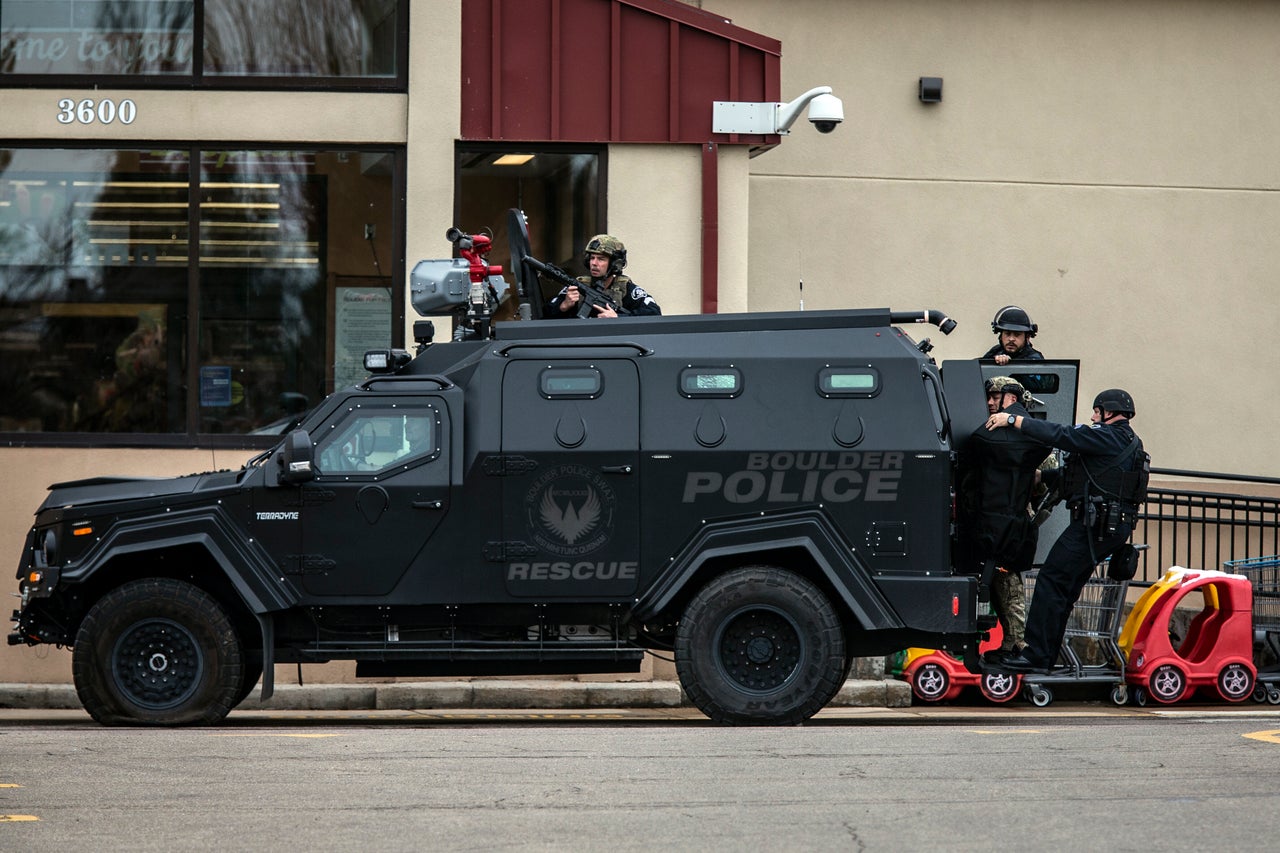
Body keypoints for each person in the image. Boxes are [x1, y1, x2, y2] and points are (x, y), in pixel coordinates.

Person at [983, 388, 1148, 674]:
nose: (1094, 416)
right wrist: (1041, 476)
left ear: (1109, 412)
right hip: (1104, 527)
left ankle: (1035, 656)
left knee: (1051, 581)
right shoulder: (1123, 441)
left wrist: (1013, 421)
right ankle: (1043, 656)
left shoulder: (1108, 436)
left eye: (1097, 411)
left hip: (1094, 528)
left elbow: (1063, 434)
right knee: (1062, 589)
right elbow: (1082, 475)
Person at [960, 377, 1052, 661]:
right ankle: (1012, 642)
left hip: (1013, 520)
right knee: (996, 579)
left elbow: (1045, 482)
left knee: (1007, 578)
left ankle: (1018, 643)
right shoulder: (990, 431)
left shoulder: (1027, 434)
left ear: (1011, 399)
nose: (989, 402)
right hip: (991, 518)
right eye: (988, 396)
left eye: (996, 396)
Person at [545, 234, 661, 318]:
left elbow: (654, 313)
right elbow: (543, 316)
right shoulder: (578, 287)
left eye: (601, 259)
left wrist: (618, 318)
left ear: (615, 264)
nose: (594, 263)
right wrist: (563, 306)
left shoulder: (626, 289)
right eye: (592, 258)